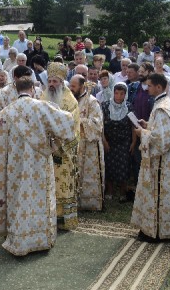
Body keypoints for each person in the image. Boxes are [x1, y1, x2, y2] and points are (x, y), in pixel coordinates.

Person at [0, 76, 76, 256]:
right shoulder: (42, 107)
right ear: (32, 88)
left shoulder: (5, 113)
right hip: (39, 163)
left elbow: (0, 147)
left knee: (18, 197)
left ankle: (19, 238)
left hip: (15, 165)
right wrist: (53, 141)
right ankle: (40, 239)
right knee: (40, 196)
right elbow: (68, 122)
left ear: (16, 89)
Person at [131, 73, 170, 240]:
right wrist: (148, 125)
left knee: (158, 195)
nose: (147, 88)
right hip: (164, 161)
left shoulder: (162, 107)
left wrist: (143, 133)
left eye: (149, 85)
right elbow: (162, 131)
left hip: (161, 164)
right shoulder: (164, 103)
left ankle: (158, 232)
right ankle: (153, 229)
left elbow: (161, 140)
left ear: (159, 87)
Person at [42, 62, 81, 230]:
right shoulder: (42, 98)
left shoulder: (70, 101)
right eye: (49, 81)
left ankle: (64, 220)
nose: (51, 84)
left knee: (63, 184)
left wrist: (57, 140)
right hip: (45, 151)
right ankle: (47, 217)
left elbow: (73, 125)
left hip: (63, 152)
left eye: (55, 81)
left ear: (61, 82)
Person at [70, 75, 105, 211]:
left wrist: (81, 121)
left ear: (82, 86)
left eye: (73, 86)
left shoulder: (92, 102)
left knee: (89, 176)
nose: (71, 89)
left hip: (89, 146)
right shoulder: (71, 101)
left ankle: (90, 204)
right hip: (75, 144)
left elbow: (97, 125)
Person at [102, 82, 135, 200]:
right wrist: (104, 141)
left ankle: (122, 192)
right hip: (109, 141)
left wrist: (133, 142)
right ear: (113, 93)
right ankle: (110, 191)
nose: (119, 96)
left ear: (125, 94)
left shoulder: (129, 106)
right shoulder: (105, 106)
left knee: (124, 166)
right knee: (109, 165)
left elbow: (133, 125)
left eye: (122, 94)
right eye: (116, 93)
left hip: (124, 142)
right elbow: (101, 125)